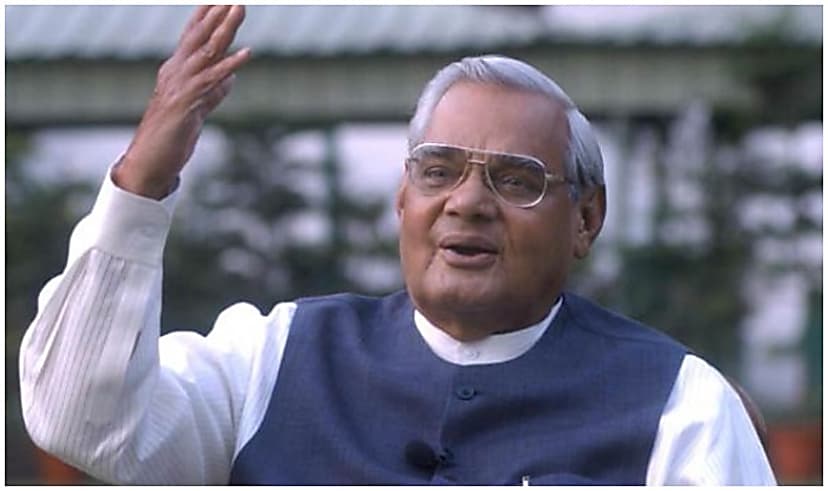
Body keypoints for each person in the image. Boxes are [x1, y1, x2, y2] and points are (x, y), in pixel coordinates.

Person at [19, 5, 776, 485]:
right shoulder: (273, 359)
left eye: (515, 179)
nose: (467, 202)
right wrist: (142, 182)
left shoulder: (678, 406)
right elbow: (81, 421)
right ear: (403, 199)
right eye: (438, 171)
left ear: (586, 219)